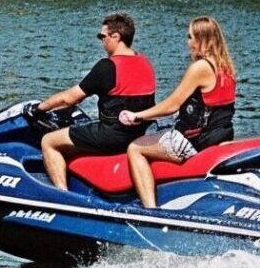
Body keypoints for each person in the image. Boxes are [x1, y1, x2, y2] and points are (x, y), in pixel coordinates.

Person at [117, 17, 238, 209]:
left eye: (190, 37)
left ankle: (150, 210)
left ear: (202, 39)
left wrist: (137, 115)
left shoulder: (200, 68)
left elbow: (172, 105)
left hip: (193, 142)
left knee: (135, 148)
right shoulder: (226, 67)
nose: (188, 41)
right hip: (220, 136)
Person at [35, 13, 157, 192]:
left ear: (116, 37)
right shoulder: (144, 62)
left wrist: (39, 108)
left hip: (113, 136)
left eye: (102, 36)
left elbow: (69, 98)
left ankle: (62, 195)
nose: (101, 41)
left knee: (49, 141)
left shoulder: (107, 66)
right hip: (139, 134)